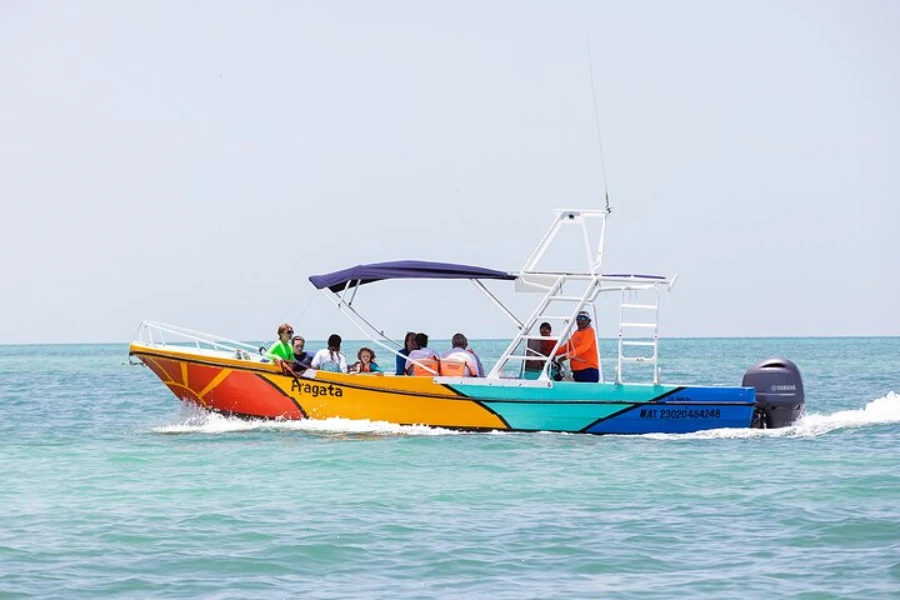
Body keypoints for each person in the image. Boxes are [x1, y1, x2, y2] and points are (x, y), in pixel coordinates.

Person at [557, 311, 600, 382]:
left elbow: (583, 348)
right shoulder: (576, 333)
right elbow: (567, 347)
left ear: (589, 321)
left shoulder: (590, 331)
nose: (580, 321)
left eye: (583, 318)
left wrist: (565, 357)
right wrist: (552, 353)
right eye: (578, 318)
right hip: (576, 371)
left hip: (588, 370)